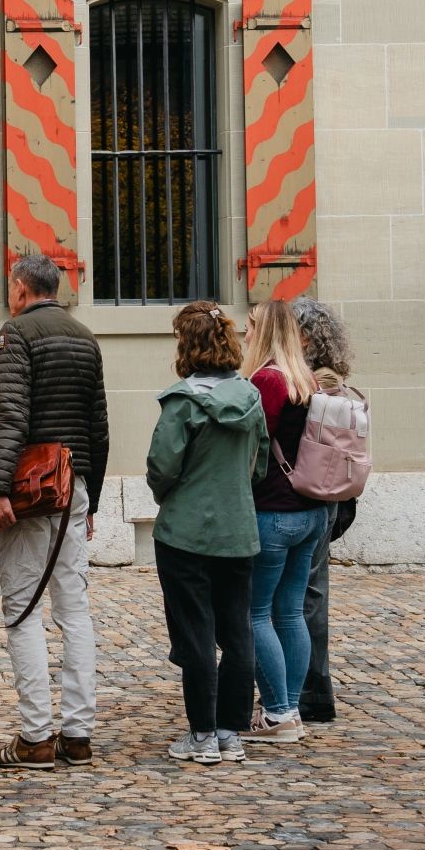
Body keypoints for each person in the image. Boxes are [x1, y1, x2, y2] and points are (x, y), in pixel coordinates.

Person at [0, 254, 110, 771]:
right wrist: (91, 497)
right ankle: (77, 733)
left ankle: (34, 736)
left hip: (31, 492)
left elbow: (11, 416)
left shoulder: (16, 335)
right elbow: (98, 426)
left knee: (24, 610)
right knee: (74, 611)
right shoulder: (85, 337)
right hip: (72, 487)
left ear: (19, 288)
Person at [146, 303, 269, 766]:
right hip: (238, 530)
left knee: (196, 633)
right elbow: (259, 463)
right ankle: (228, 732)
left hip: (185, 533)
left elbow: (162, 466)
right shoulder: (251, 397)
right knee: (237, 632)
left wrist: (173, 495)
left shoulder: (182, 402)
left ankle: (201, 735)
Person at [240, 300, 329, 745]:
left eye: (251, 325)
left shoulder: (266, 380)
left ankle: (276, 712)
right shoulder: (306, 379)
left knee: (255, 613)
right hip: (311, 510)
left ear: (265, 331)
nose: (244, 331)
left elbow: (254, 443)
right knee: (290, 612)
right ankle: (288, 709)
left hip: (273, 510)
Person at [291, 298, 355, 725]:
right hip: (327, 495)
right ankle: (312, 687)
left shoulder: (315, 384)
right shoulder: (332, 380)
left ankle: (308, 688)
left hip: (312, 495)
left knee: (303, 596)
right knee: (311, 593)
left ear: (307, 338)